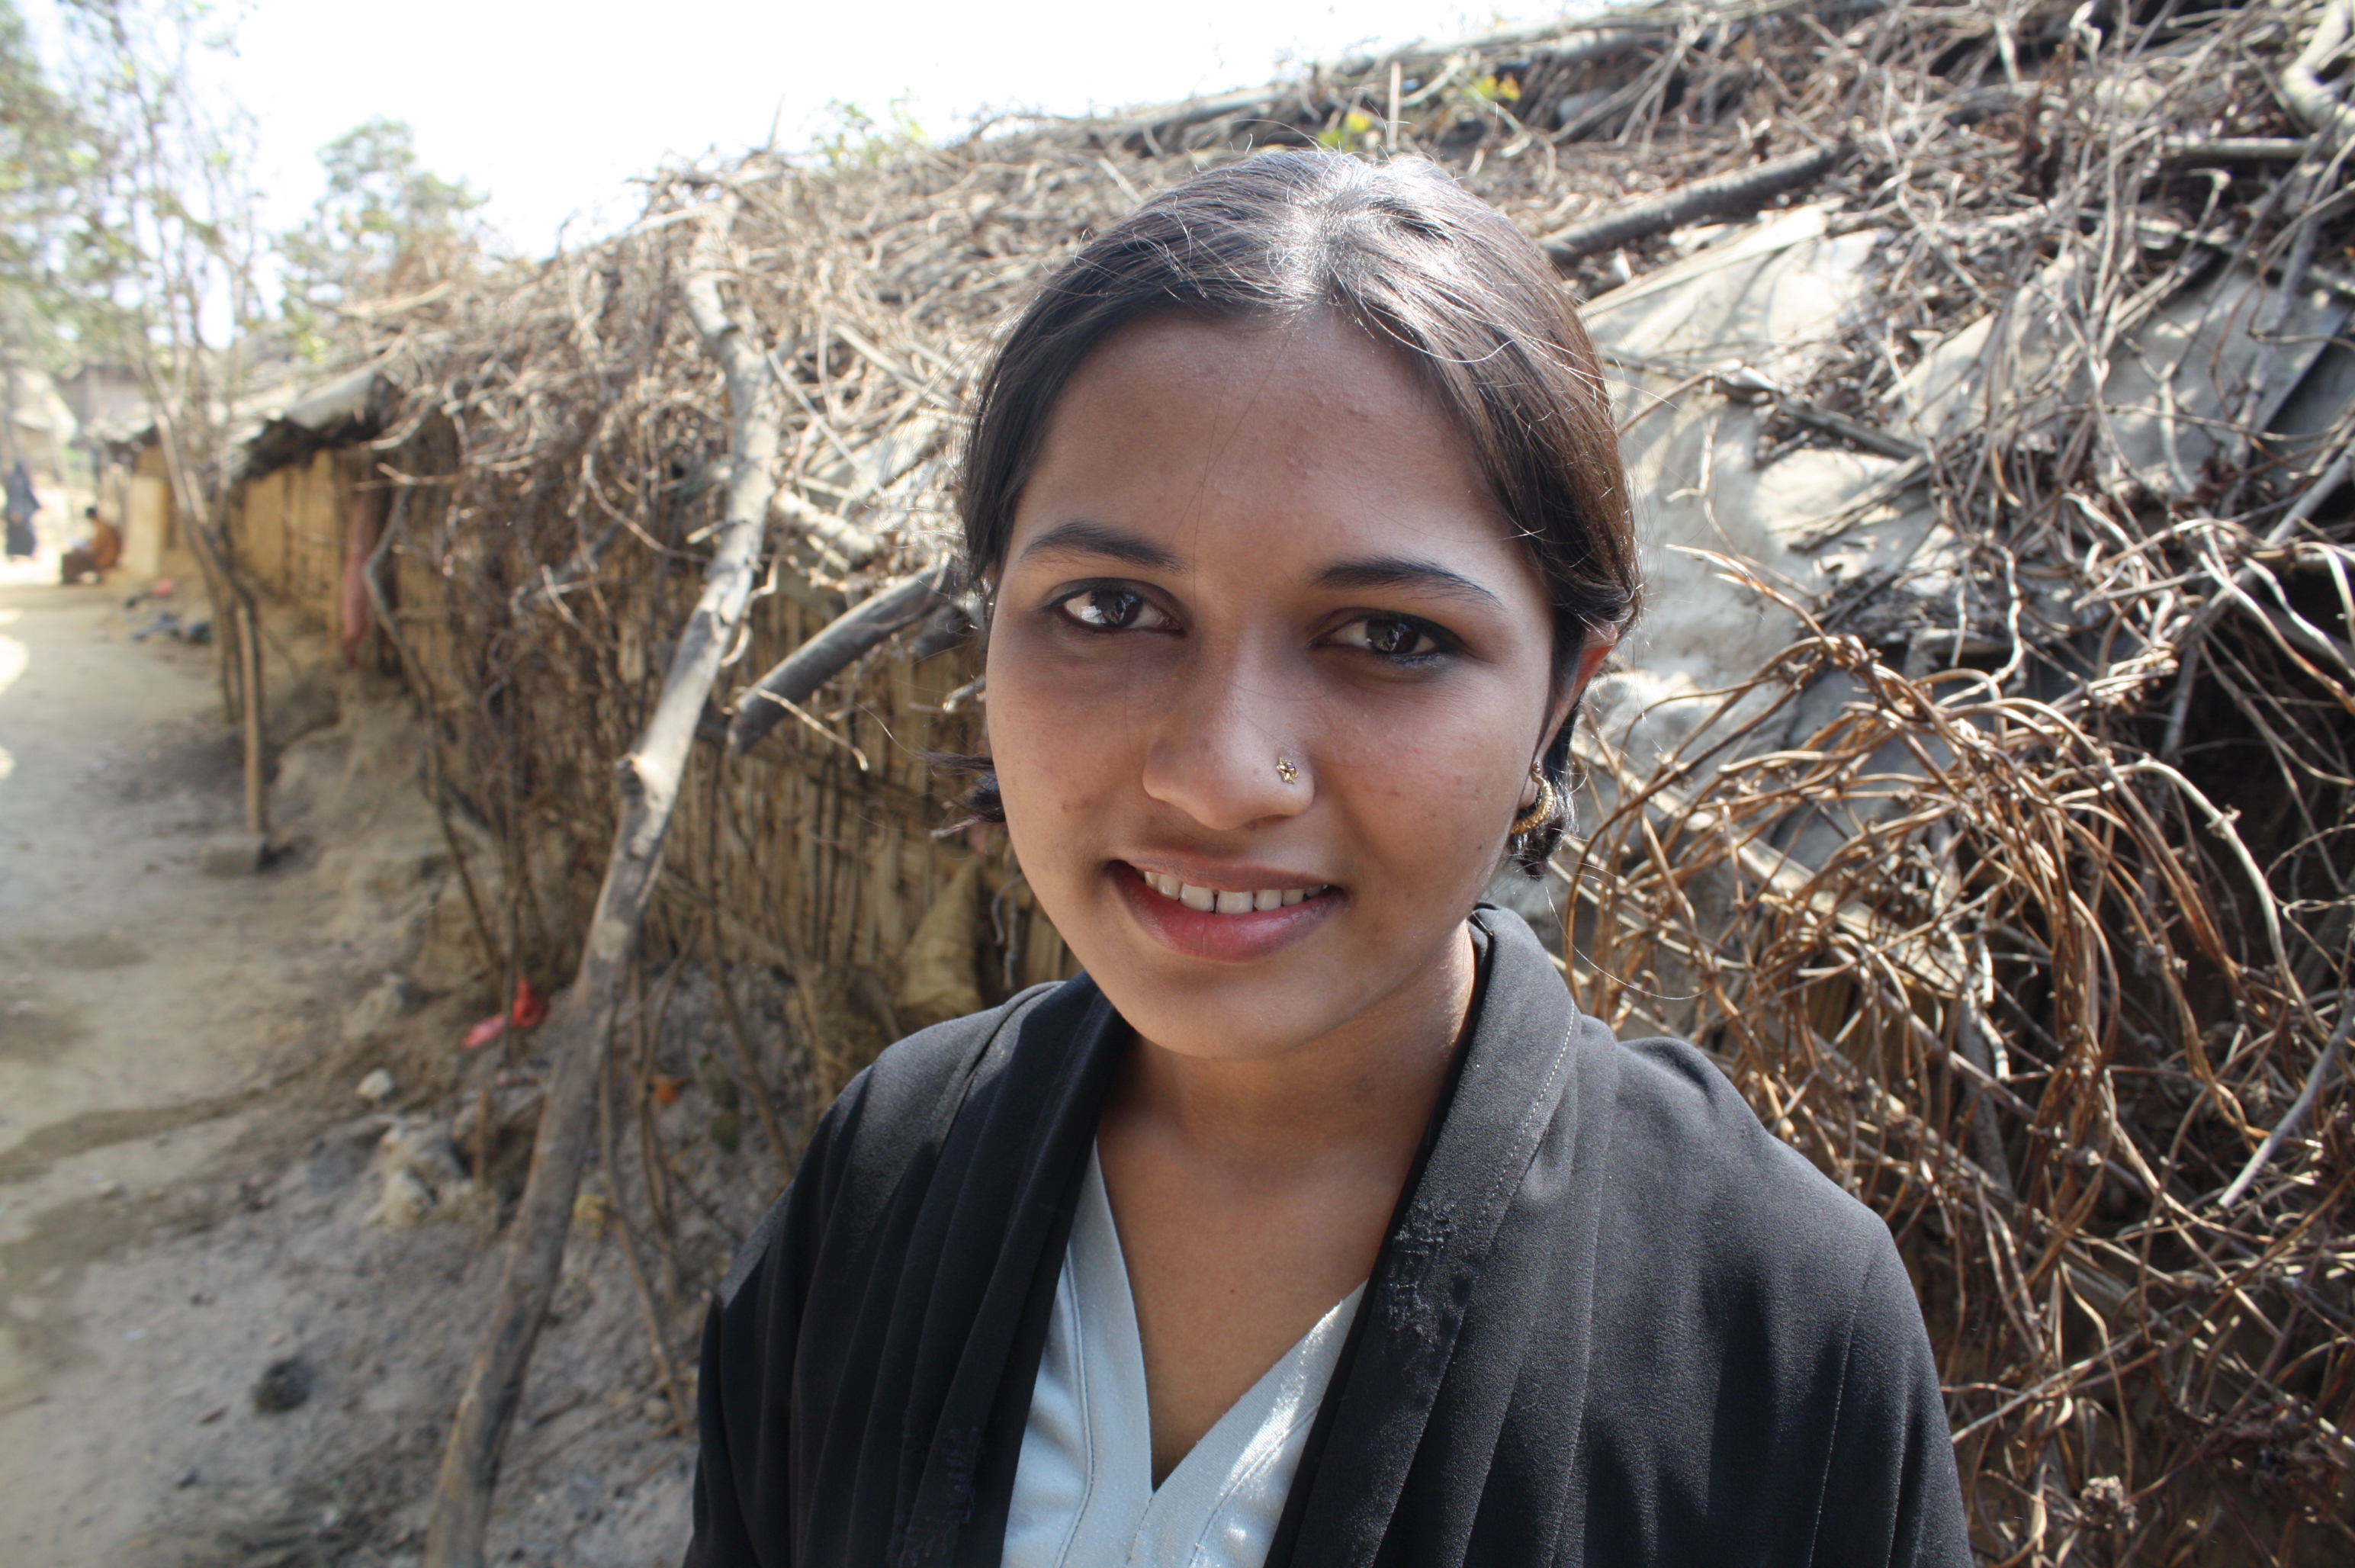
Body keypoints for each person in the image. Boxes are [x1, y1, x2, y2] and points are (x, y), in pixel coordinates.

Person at [686, 151, 1973, 1568]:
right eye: (1111, 607)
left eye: (1389, 636)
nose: (1223, 776)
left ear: (1559, 693)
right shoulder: (889, 1171)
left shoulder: (1777, 1331)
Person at [5, 460, 37, 560]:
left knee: (28, 534)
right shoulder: (16, 480)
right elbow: (14, 497)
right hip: (16, 513)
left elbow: (29, 495)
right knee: (16, 534)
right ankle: (13, 554)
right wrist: (15, 511)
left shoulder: (24, 479)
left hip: (25, 512)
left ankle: (29, 552)